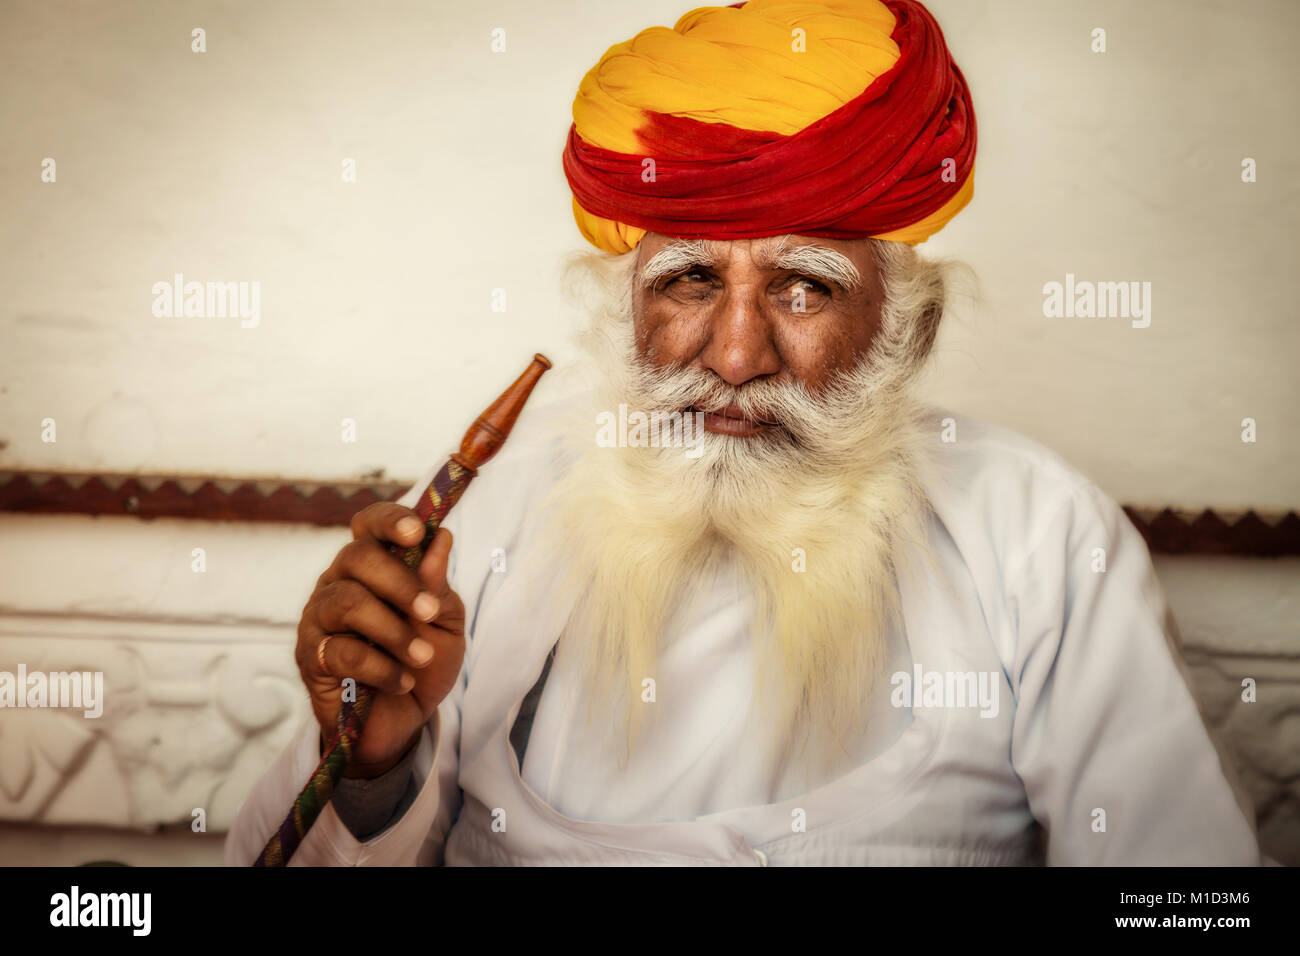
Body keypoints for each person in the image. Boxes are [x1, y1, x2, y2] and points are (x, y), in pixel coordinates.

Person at [225, 0, 1260, 866]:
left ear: (909, 331)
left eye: (805, 286)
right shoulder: (489, 517)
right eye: (686, 280)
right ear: (627, 312)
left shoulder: (1032, 530)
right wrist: (370, 764)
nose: (731, 356)